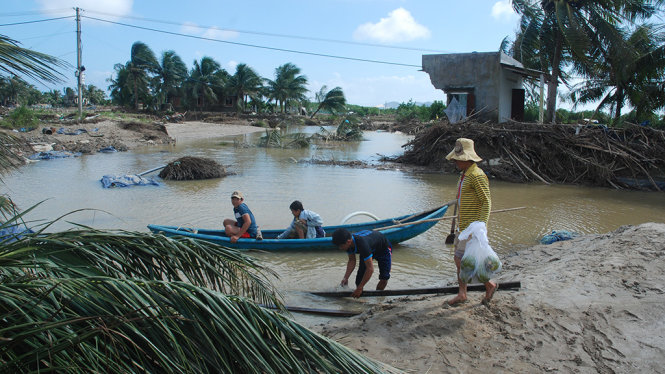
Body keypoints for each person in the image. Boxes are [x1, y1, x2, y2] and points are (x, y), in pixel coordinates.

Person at [445, 138, 497, 306]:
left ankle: (487, 285)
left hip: (473, 227)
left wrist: (481, 226)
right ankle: (463, 293)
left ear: (468, 159)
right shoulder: (464, 175)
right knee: (460, 259)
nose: (455, 162)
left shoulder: (477, 175)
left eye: (458, 159)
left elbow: (486, 201)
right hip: (464, 226)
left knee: (463, 260)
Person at [332, 228, 392, 298]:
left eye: (341, 246)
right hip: (369, 247)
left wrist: (360, 288)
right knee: (359, 281)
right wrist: (346, 278)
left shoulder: (362, 245)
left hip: (383, 249)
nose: (340, 248)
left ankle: (378, 298)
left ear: (348, 242)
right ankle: (361, 298)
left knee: (384, 278)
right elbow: (352, 260)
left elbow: (370, 269)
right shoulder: (348, 243)